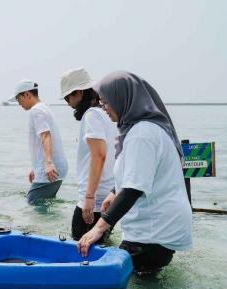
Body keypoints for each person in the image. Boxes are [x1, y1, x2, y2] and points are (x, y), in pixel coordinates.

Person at [77, 71, 192, 274]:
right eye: (101, 102)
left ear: (124, 100)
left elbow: (133, 188)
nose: (103, 108)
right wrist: (114, 192)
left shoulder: (142, 134)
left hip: (153, 232)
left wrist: (98, 227)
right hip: (157, 228)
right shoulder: (143, 129)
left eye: (106, 102)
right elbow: (137, 171)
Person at [59, 68, 118, 242]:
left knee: (79, 248)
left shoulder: (92, 115)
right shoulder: (106, 113)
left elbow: (99, 155)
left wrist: (89, 197)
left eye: (67, 97)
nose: (67, 102)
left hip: (96, 199)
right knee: (100, 247)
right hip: (108, 196)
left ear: (78, 92)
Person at [6, 79, 68, 204]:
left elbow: (46, 136)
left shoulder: (37, 111)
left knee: (33, 204)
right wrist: (36, 167)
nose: (18, 103)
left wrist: (49, 163)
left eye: (18, 99)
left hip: (50, 169)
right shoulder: (44, 108)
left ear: (27, 94)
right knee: (44, 205)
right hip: (55, 168)